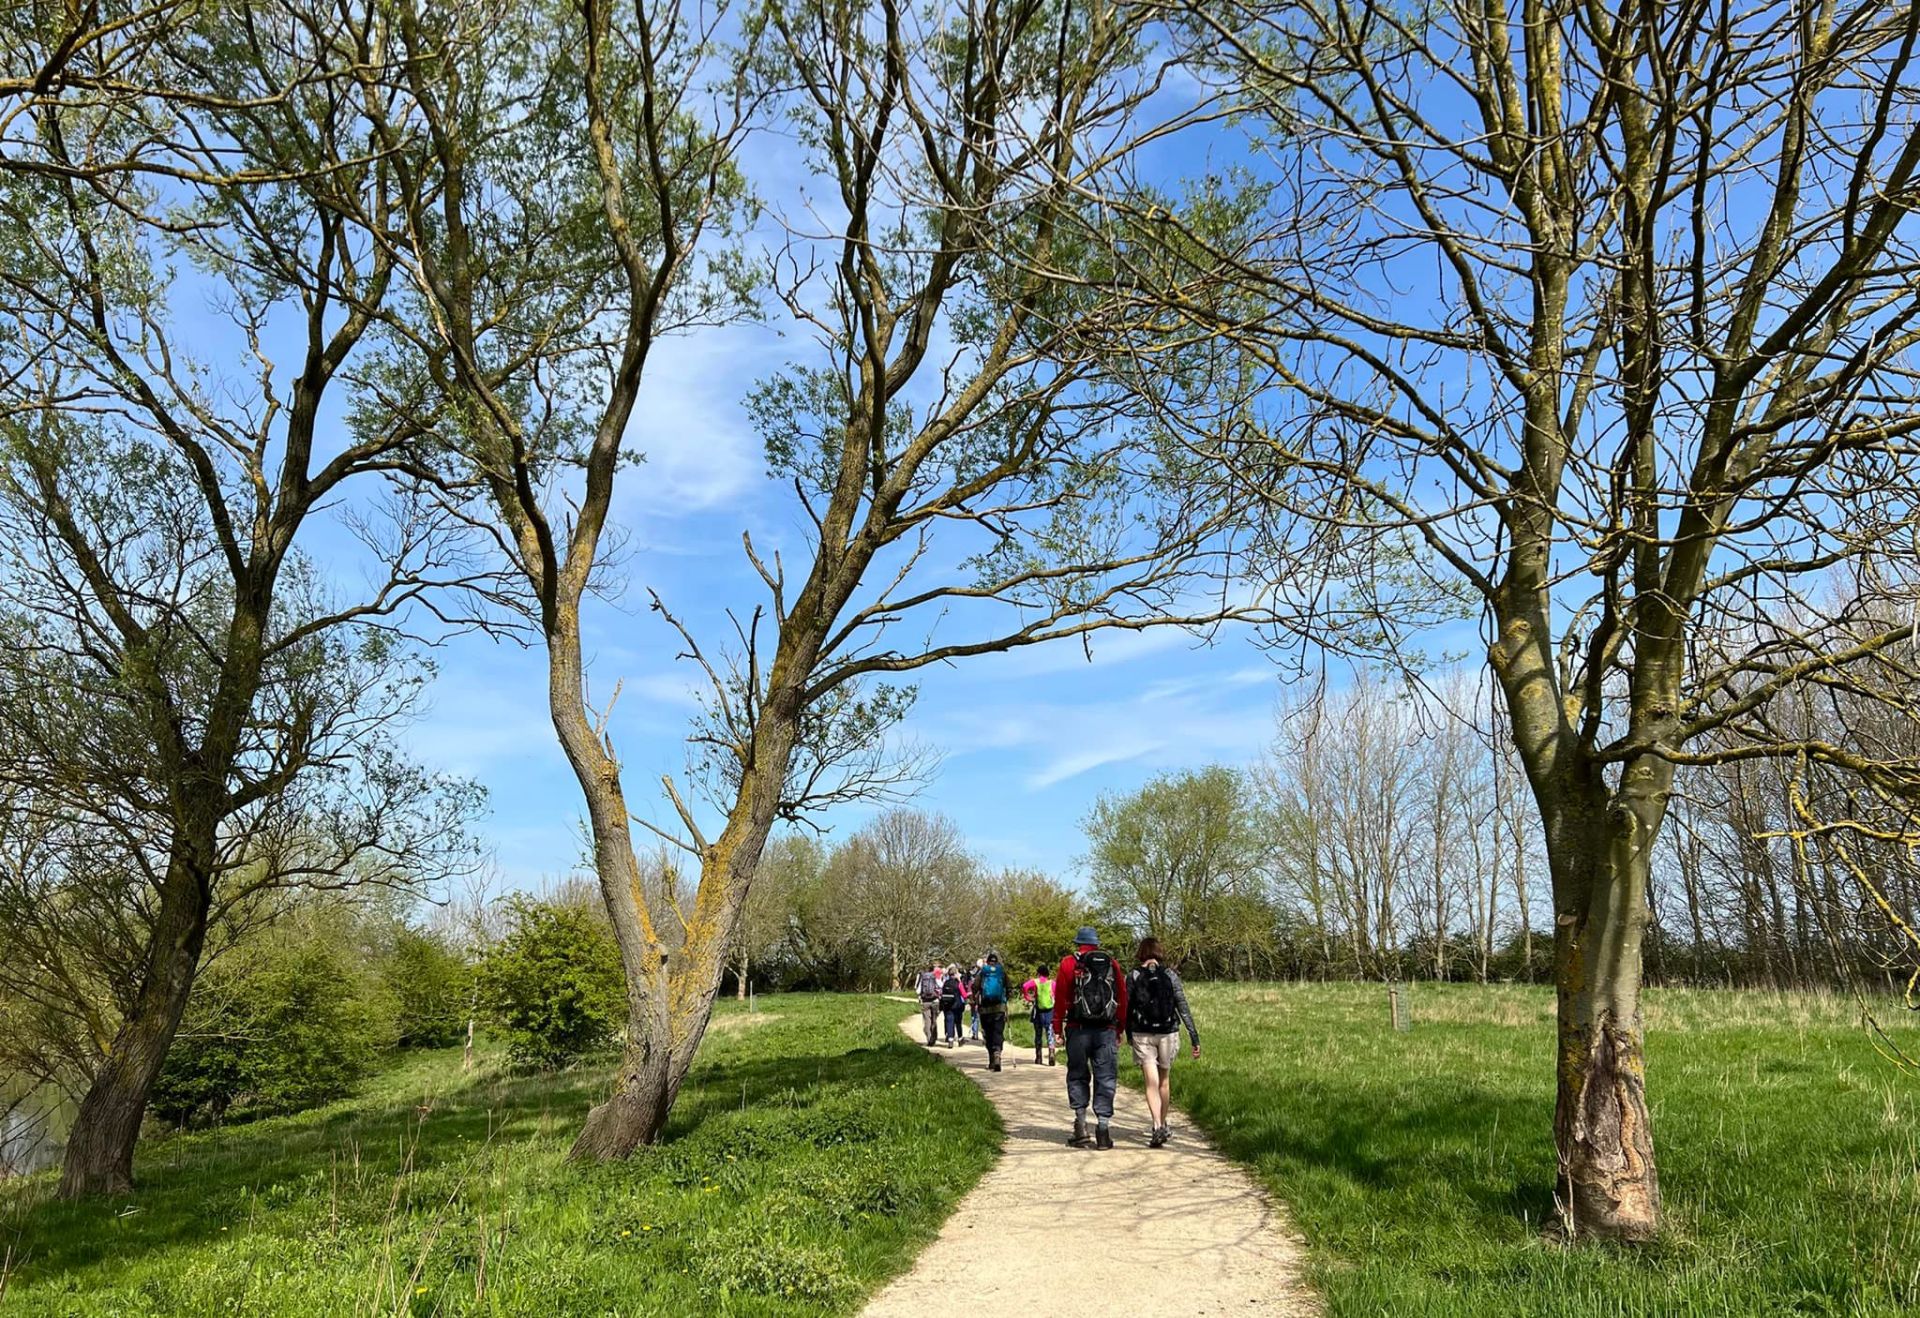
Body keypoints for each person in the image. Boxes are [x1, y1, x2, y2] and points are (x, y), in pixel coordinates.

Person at [1051, 926, 1127, 1149]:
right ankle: (1103, 1131)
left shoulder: (1067, 963)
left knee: (1077, 1075)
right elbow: (1122, 996)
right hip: (1106, 1030)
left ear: (1077, 943)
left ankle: (1081, 1127)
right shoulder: (1111, 963)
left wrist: (1057, 1029)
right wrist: (1119, 1027)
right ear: (1097, 944)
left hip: (1077, 1028)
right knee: (1106, 1077)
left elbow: (1061, 998)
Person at [1125, 937, 1200, 1148]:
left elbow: (1127, 1008)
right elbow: (1182, 1006)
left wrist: (1126, 1032)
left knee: (1150, 1082)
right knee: (1164, 1081)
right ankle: (1164, 1124)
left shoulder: (1133, 975)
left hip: (1142, 1033)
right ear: (1159, 952)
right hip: (1168, 1032)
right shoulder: (1170, 975)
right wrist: (1194, 1037)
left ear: (1140, 952)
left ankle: (1156, 1125)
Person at [971, 951, 1013, 1071]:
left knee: (988, 1033)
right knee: (998, 1032)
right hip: (999, 1008)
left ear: (988, 962)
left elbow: (975, 986)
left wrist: (975, 999)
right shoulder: (1001, 972)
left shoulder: (983, 972)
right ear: (997, 961)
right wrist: (1006, 1000)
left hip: (985, 1009)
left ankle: (991, 1059)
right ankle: (997, 1054)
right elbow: (1009, 987)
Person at [1022, 962, 1057, 1065]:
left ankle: (1039, 1057)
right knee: (1050, 1033)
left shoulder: (1035, 982)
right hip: (1050, 1012)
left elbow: (1024, 986)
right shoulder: (1052, 983)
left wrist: (1028, 997)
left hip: (1038, 1011)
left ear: (1039, 973)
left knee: (1038, 1034)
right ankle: (1051, 1052)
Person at [915, 959, 944, 1047]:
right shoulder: (936, 976)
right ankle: (933, 1039)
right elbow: (941, 986)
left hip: (925, 1002)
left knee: (927, 1021)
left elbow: (918, 990)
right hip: (935, 1001)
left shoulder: (923, 976)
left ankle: (929, 1038)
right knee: (934, 1021)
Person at [939, 964, 966, 1047]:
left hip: (947, 1006)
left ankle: (950, 1040)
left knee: (949, 1022)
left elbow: (941, 993)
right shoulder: (958, 983)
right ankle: (960, 1039)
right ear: (955, 974)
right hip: (957, 1006)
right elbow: (964, 995)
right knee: (958, 1023)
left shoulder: (945, 983)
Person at [967, 956, 985, 1042]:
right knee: (982, 1016)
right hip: (982, 998)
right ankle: (984, 1034)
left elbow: (972, 986)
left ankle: (975, 1033)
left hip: (973, 997)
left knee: (974, 1015)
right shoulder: (985, 973)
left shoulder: (972, 974)